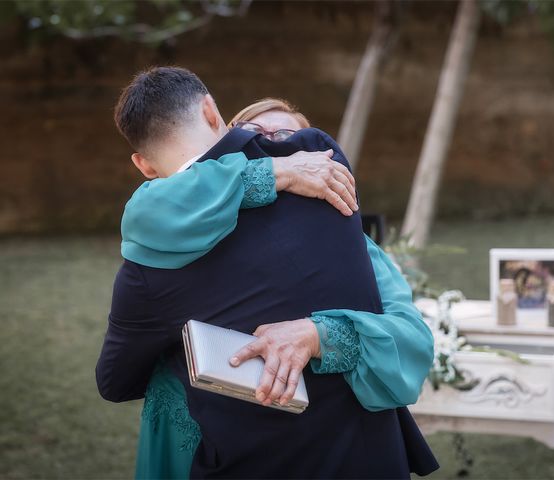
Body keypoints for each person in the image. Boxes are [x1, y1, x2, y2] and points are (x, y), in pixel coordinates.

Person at [96, 67, 438, 478]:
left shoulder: (352, 244)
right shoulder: (169, 223)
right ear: (223, 133)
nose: (279, 148)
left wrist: (317, 335)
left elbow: (413, 341)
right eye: (256, 136)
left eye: (288, 140)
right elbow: (152, 208)